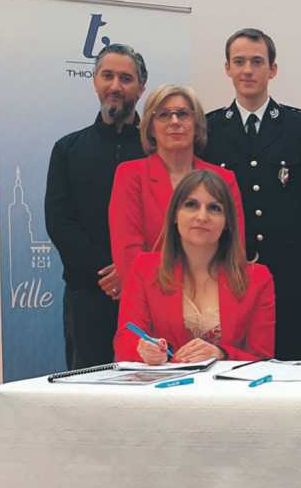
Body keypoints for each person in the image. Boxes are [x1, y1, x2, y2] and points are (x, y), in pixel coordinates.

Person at [200, 28, 301, 361]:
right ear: (227, 68)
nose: (248, 70)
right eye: (239, 62)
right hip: (227, 271)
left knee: (290, 365)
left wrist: (291, 243)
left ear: (272, 69)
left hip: (289, 272)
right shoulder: (209, 129)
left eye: (257, 62)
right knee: (229, 364)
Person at [45, 44, 148, 370]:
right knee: (86, 386)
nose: (115, 86)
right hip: (87, 293)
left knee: (150, 384)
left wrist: (129, 271)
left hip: (147, 293)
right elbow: (60, 222)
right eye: (107, 76)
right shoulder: (67, 150)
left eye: (126, 78)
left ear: (141, 87)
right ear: (95, 82)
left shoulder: (158, 151)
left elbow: (166, 222)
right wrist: (106, 270)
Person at [114, 170, 275, 363]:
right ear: (175, 215)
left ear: (227, 222)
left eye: (214, 208)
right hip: (164, 381)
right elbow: (125, 339)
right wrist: (142, 349)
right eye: (191, 205)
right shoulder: (144, 268)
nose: (202, 216)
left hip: (227, 383)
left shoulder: (258, 278)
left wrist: (221, 353)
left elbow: (262, 358)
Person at [109, 85, 245, 285]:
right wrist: (172, 297)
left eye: (183, 114)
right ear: (151, 128)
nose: (174, 122)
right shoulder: (130, 175)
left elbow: (234, 252)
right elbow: (128, 254)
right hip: (149, 296)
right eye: (163, 115)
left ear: (197, 126)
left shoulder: (224, 179)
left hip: (212, 296)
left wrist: (204, 296)